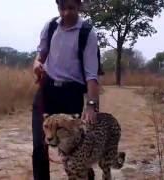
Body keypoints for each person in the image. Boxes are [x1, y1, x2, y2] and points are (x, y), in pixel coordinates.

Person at [32, 0, 100, 179]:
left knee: (74, 148)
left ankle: (85, 174)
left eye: (71, 8)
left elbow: (91, 74)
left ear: (79, 5)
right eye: (62, 8)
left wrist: (92, 105)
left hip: (71, 95)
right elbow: (41, 54)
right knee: (40, 145)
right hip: (47, 92)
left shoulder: (87, 33)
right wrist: (37, 63)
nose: (66, 13)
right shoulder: (50, 26)